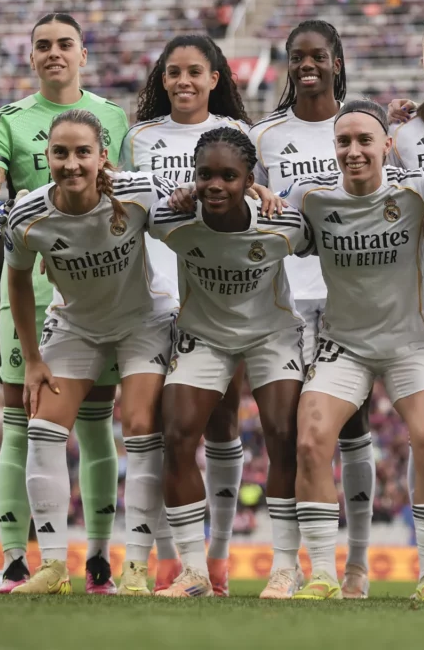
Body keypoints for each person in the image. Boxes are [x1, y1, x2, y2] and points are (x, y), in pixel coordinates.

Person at [0, 13, 129, 594]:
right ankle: (17, 560)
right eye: (43, 45)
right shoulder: (7, 119)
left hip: (98, 295)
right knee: (22, 426)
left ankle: (99, 560)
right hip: (31, 296)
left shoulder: (114, 118)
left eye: (65, 43)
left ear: (83, 53)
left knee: (95, 430)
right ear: (30, 56)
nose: (54, 52)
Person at [270, 100, 424, 602]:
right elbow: (270, 225)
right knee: (310, 443)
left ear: (386, 146)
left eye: (364, 141)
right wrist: (260, 195)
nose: (354, 151)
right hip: (344, 345)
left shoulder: (416, 191)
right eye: (344, 142)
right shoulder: (311, 198)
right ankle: (325, 575)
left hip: (408, 344)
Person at [2, 109, 178, 594]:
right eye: (61, 153)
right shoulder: (28, 214)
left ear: (103, 157)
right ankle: (53, 568)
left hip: (144, 321)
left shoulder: (137, 192)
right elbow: (17, 280)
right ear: (48, 157)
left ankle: (138, 568)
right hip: (76, 325)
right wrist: (33, 358)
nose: (72, 163)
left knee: (141, 426)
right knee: (42, 427)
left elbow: (190, 221)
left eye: (83, 152)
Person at [147, 127, 313, 598]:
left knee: (283, 436)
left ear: (249, 180)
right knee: (176, 436)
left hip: (272, 335)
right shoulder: (172, 218)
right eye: (205, 175)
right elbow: (126, 194)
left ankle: (285, 569)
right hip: (204, 335)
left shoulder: (284, 223)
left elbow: (330, 249)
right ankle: (195, 574)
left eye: (229, 176)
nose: (215, 185)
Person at [248, 20, 377, 598]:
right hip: (290, 300)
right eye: (297, 57)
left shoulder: (361, 125)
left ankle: (357, 565)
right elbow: (237, 194)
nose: (307, 66)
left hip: (357, 295)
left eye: (318, 56)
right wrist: (256, 193)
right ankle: (291, 563)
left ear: (336, 61)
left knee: (354, 431)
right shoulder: (266, 134)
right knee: (293, 433)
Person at [120, 33, 252, 595]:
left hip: (218, 299)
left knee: (220, 425)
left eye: (195, 71)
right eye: (173, 72)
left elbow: (254, 207)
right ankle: (166, 560)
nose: (183, 82)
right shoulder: (140, 137)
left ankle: (217, 560)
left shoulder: (241, 135)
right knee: (157, 431)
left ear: (215, 77)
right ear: (161, 78)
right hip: (153, 298)